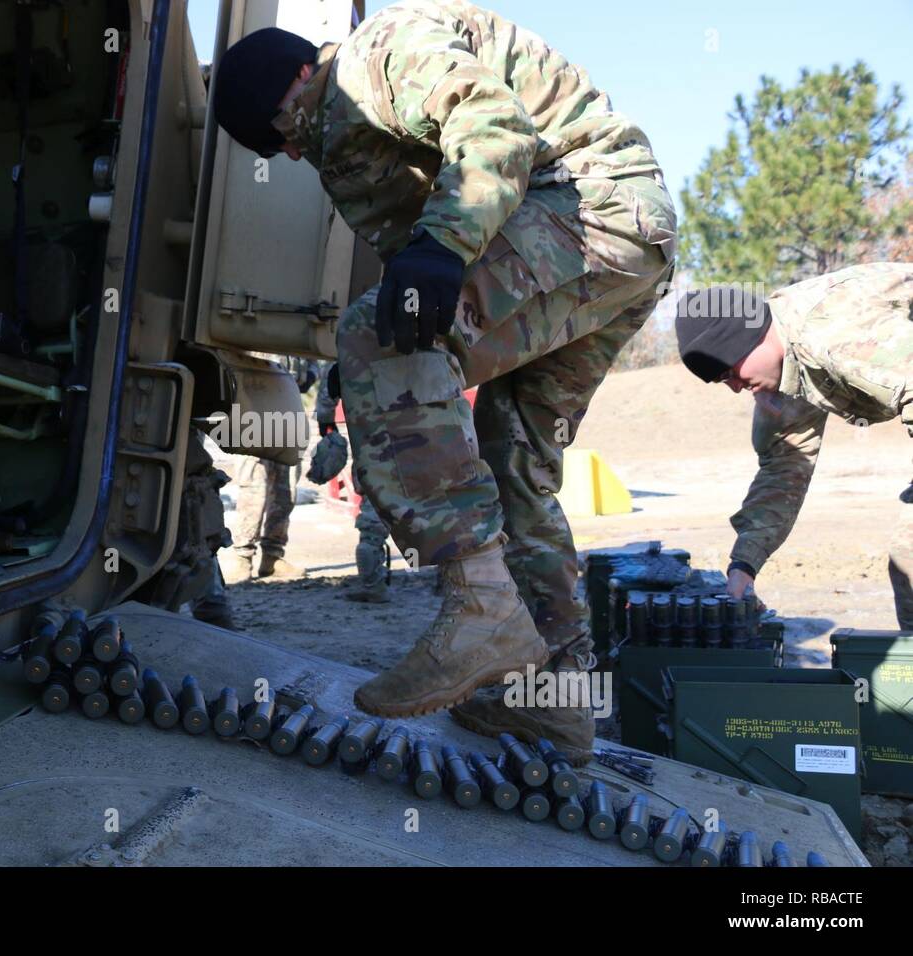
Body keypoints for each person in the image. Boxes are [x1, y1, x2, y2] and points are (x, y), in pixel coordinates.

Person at [212, 1, 676, 760]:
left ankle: (481, 602)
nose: (291, 152)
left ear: (304, 72)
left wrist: (442, 248)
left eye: (287, 127)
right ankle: (556, 703)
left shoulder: (377, 53)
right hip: (624, 239)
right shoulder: (341, 136)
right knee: (513, 457)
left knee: (375, 333)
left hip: (589, 207)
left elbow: (493, 124)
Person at [674, 264, 913, 625]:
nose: (736, 387)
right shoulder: (782, 371)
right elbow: (785, 469)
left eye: (729, 373)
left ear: (748, 338)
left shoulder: (833, 332)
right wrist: (744, 565)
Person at [223, 355, 316, 583]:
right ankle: (242, 557)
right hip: (253, 408)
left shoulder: (300, 323)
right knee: (253, 489)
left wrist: (309, 375)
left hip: (289, 408)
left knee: (286, 491)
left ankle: (272, 558)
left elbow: (312, 359)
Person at [309, 360, 392, 603]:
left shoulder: (346, 360)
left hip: (374, 451)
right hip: (421, 446)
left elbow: (325, 409)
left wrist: (328, 428)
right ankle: (449, 582)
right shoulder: (415, 352)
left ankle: (373, 585)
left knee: (371, 526)